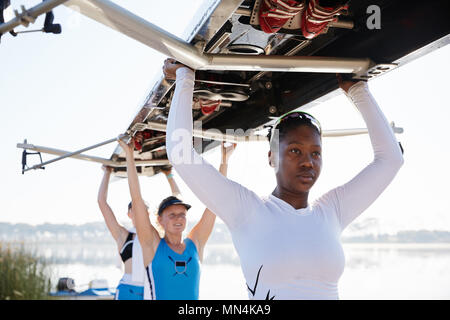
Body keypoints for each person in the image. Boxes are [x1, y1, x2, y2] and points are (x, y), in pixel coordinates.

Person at [163, 58, 404, 300]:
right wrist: (185, 78)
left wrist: (358, 90)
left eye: (316, 153)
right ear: (272, 157)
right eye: (295, 151)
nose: (308, 162)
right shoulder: (247, 210)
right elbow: (181, 154)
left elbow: (391, 159)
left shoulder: (332, 211)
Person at [118, 136, 236, 300]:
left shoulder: (195, 242)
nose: (178, 219)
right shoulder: (152, 244)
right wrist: (129, 155)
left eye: (182, 214)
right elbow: (137, 199)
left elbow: (214, 201)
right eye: (172, 215)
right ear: (160, 220)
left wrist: (224, 162)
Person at [97, 146, 182, 300]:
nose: (139, 210)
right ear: (129, 213)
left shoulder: (156, 235)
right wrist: (107, 173)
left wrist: (169, 175)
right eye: (135, 207)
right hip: (127, 291)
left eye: (143, 208)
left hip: (151, 289)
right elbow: (102, 202)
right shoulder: (123, 235)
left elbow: (178, 203)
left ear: (147, 213)